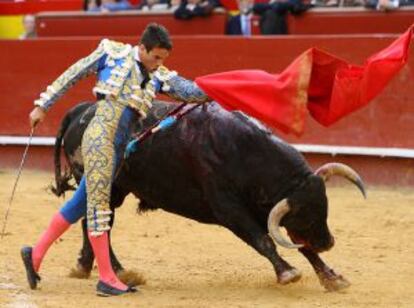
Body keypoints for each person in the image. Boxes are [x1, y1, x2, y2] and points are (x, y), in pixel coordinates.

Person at [21, 23, 210, 297]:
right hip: (100, 138)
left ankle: (35, 255)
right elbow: (73, 73)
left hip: (119, 147)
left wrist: (222, 88)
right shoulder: (112, 53)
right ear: (142, 47)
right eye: (155, 57)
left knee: (81, 203)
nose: (158, 64)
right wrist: (43, 105)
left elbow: (193, 92)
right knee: (99, 207)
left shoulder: (159, 76)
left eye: (163, 59)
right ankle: (107, 278)